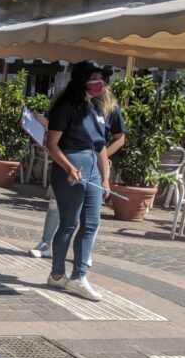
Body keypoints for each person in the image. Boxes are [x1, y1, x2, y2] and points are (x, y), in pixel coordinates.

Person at [29, 73, 127, 259]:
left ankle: (84, 254)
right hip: (68, 159)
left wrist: (102, 155)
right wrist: (36, 120)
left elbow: (120, 138)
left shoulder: (111, 110)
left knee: (91, 213)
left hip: (96, 165)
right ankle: (46, 243)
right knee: (57, 203)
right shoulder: (72, 105)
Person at [44, 60, 112, 301]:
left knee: (91, 223)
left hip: (92, 168)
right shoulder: (65, 106)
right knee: (69, 223)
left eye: (101, 78)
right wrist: (69, 167)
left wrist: (106, 179)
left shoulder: (95, 108)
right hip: (71, 165)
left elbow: (101, 146)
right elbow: (51, 144)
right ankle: (57, 274)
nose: (98, 83)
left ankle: (79, 276)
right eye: (93, 78)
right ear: (81, 80)